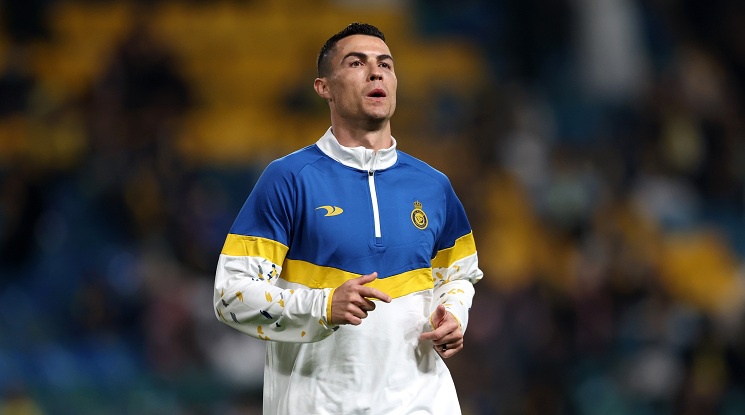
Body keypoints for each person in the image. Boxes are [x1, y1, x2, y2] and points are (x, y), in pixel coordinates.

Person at [213, 22, 483, 414]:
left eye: (385, 64)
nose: (376, 72)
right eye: (357, 63)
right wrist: (321, 306)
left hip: (422, 403)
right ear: (324, 87)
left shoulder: (433, 186)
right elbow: (230, 295)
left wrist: (454, 315)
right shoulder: (288, 179)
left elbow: (458, 276)